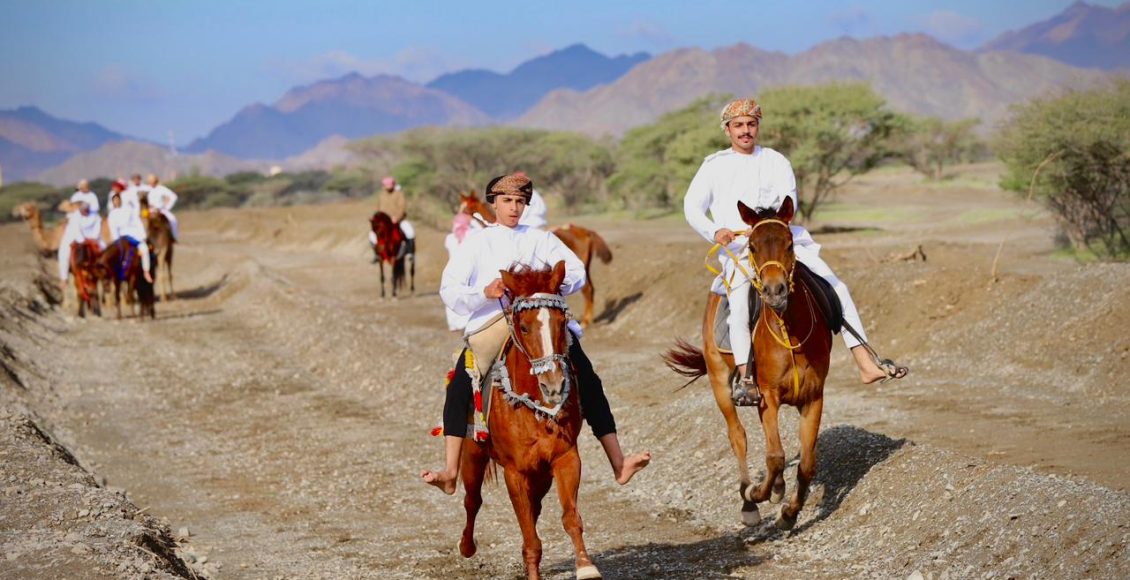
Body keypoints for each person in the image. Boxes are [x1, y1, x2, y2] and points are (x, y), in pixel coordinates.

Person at [422, 173, 650, 494]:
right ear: (494, 203)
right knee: (461, 380)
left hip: (539, 321)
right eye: (507, 201)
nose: (514, 208)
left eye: (520, 202)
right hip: (493, 322)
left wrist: (548, 286)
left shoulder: (540, 239)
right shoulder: (476, 242)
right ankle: (449, 471)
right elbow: (450, 290)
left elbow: (575, 272)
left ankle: (618, 461)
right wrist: (484, 292)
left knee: (586, 375)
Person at [683, 97, 908, 386]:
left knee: (837, 287)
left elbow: (790, 202)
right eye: (738, 125)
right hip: (742, 249)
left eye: (751, 124)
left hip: (784, 244)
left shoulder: (776, 161)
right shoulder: (714, 166)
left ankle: (865, 362)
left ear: (758, 126)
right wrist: (715, 231)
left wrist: (771, 227)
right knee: (739, 305)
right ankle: (747, 379)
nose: (745, 130)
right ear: (727, 130)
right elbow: (691, 207)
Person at [56, 180, 104, 293]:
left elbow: (96, 219)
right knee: (64, 251)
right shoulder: (75, 204)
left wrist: (92, 238)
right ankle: (64, 278)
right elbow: (75, 227)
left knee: (104, 250)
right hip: (75, 234)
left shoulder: (93, 198)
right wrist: (82, 240)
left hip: (92, 235)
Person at [106, 182, 153, 284]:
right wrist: (117, 241)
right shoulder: (112, 215)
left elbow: (137, 222)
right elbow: (113, 230)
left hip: (133, 235)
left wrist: (142, 236)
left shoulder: (129, 210)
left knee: (144, 249)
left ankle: (146, 271)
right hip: (121, 238)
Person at [442, 213, 474, 333]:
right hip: (468, 271)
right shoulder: (472, 234)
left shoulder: (450, 238)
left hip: (453, 272)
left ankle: (455, 324)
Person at [372, 176, 415, 260]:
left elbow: (402, 208)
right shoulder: (381, 195)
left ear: (393, 184)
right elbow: (377, 209)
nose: (388, 186)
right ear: (383, 186)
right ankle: (377, 254)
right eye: (386, 185)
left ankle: (410, 253)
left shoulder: (399, 194)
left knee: (410, 232)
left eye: (390, 184)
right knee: (372, 235)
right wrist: (376, 219)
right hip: (383, 222)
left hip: (398, 220)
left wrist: (397, 218)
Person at [145, 174, 179, 240]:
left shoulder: (161, 189)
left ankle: (173, 237)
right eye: (150, 181)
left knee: (173, 220)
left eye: (153, 181)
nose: (151, 183)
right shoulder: (146, 189)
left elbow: (173, 197)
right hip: (149, 211)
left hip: (161, 210)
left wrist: (167, 207)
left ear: (156, 181)